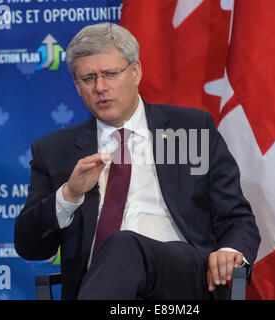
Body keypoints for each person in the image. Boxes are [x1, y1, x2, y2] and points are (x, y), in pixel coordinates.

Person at [14, 22, 260, 300]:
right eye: (88, 78)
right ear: (76, 85)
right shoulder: (57, 151)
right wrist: (69, 195)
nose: (100, 87)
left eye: (110, 73)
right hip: (103, 286)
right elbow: (30, 247)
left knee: (124, 243)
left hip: (184, 283)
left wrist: (228, 253)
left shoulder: (186, 132)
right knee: (120, 251)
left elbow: (237, 218)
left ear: (136, 71)